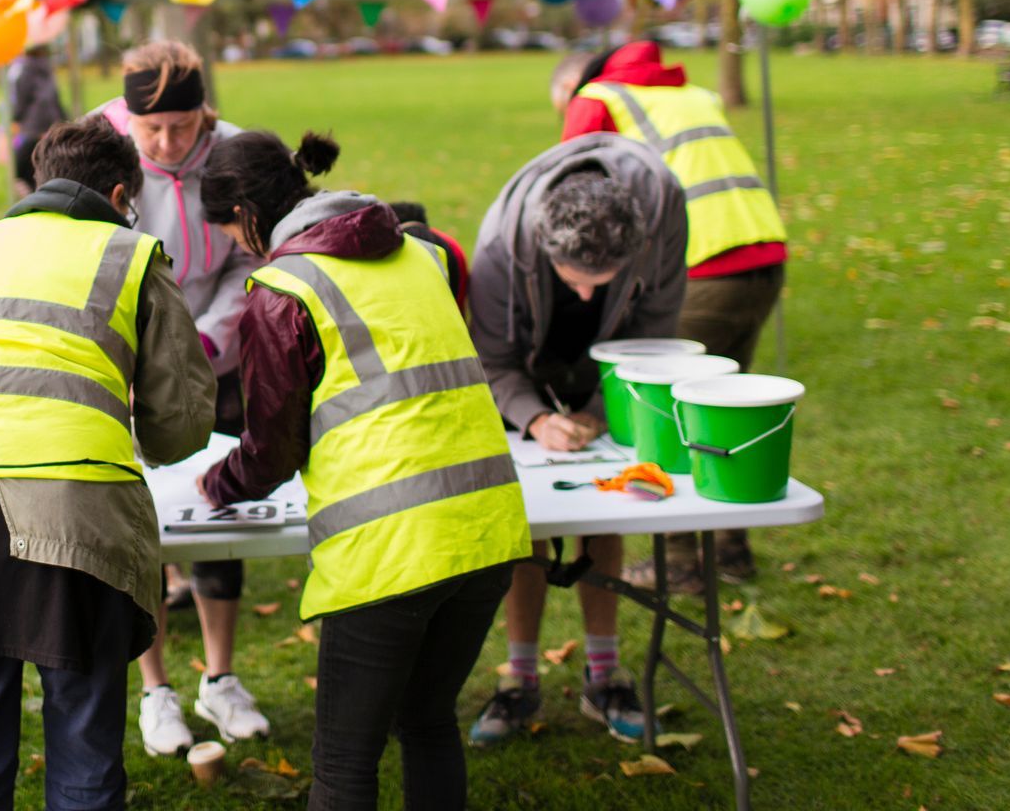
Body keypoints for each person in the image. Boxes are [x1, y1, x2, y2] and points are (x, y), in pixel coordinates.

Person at [0, 116, 216, 811]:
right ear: (121, 193)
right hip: (77, 530)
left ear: (40, 181)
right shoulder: (130, 256)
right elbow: (180, 425)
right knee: (86, 763)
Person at [196, 131, 529, 811]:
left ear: (247, 212)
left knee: (346, 762)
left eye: (230, 230)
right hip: (489, 533)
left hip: (390, 551)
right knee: (428, 720)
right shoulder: (417, 253)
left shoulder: (283, 288)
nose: (236, 246)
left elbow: (272, 448)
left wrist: (217, 481)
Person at [466, 135, 687, 747]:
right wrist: (536, 420)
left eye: (604, 283)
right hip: (524, 371)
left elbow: (656, 330)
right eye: (576, 283)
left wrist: (597, 410)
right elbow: (492, 356)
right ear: (543, 250)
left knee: (607, 508)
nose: (587, 296)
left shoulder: (663, 207)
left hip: (613, 366)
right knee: (528, 519)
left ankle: (604, 674)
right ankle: (520, 678)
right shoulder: (500, 246)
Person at [557, 44, 789, 590]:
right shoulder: (687, 93)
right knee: (724, 413)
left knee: (671, 418)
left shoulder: (596, 99)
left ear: (574, 84)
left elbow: (569, 199)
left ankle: (683, 561)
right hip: (761, 255)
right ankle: (731, 548)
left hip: (704, 267)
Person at [92, 41, 267, 755]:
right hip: (127, 352)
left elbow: (252, 255)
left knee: (216, 501)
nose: (167, 143)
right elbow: (88, 259)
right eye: (152, 129)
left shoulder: (232, 157)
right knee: (140, 521)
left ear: (205, 114)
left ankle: (220, 679)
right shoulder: (98, 152)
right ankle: (156, 689)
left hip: (210, 348)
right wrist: (136, 357)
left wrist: (203, 341)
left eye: (182, 126)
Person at [8, 46, 66, 195]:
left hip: (32, 127)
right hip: (52, 125)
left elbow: (21, 100)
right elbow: (56, 99)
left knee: (21, 168)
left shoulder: (24, 71)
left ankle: (32, 194)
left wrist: (15, 118)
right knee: (44, 164)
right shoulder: (47, 69)